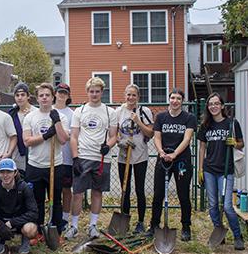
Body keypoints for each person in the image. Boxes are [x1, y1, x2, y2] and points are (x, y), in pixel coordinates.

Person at [69, 77, 118, 239]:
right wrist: (75, 158)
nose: (94, 94)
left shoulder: (109, 112)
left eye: (97, 91)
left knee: (97, 192)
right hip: (83, 157)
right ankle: (74, 226)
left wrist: (108, 146)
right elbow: (74, 137)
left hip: (102, 159)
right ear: (87, 92)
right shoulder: (80, 111)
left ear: (102, 92)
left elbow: (113, 136)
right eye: (91, 91)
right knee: (77, 193)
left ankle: (93, 226)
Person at [23, 83, 70, 244]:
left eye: (47, 95)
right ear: (37, 98)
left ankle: (56, 231)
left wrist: (56, 123)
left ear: (53, 97)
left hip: (55, 165)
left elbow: (64, 140)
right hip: (35, 165)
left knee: (56, 200)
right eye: (41, 95)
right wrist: (45, 136)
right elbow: (27, 141)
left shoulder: (61, 117)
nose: (44, 98)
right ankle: (38, 231)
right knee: (36, 201)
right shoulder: (30, 116)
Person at [198, 92, 245, 250]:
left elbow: (241, 143)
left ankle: (238, 236)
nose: (213, 106)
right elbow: (202, 147)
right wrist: (201, 169)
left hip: (226, 171)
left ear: (222, 106)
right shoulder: (206, 125)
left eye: (216, 103)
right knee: (212, 205)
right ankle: (219, 230)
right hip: (210, 169)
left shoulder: (231, 123)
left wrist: (234, 144)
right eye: (211, 104)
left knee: (226, 206)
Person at [149, 88, 196, 241]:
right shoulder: (161, 117)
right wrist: (162, 152)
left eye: (178, 99)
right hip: (163, 159)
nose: (175, 101)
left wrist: (175, 154)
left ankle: (186, 227)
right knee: (158, 195)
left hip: (181, 161)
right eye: (172, 98)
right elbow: (157, 137)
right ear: (169, 99)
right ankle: (154, 225)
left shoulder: (189, 117)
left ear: (182, 101)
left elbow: (187, 139)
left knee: (183, 195)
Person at [114, 84, 154, 234]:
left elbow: (150, 133)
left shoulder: (144, 111)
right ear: (125, 95)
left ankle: (141, 222)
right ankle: (124, 220)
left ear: (138, 97)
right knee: (125, 189)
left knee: (139, 190)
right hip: (124, 157)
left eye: (134, 95)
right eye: (128, 95)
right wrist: (120, 142)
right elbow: (115, 133)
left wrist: (138, 121)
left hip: (140, 157)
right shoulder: (118, 112)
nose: (131, 98)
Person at [0, 159, 38, 254]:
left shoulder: (24, 188)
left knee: (30, 230)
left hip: (19, 221)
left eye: (9, 172)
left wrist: (12, 223)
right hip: (0, 221)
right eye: (2, 172)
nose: (5, 175)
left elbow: (33, 212)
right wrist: (0, 224)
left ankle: (25, 241)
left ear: (15, 173)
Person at [53, 83, 75, 237]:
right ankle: (54, 217)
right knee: (53, 191)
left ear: (68, 96)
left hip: (66, 158)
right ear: (55, 94)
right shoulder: (49, 110)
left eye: (64, 93)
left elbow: (73, 136)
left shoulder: (71, 114)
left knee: (67, 190)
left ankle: (65, 218)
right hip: (51, 158)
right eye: (59, 92)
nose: (61, 95)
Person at [8, 83, 37, 177]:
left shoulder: (36, 112)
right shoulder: (12, 114)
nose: (20, 98)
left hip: (34, 154)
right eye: (17, 95)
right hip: (17, 155)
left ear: (28, 96)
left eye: (23, 95)